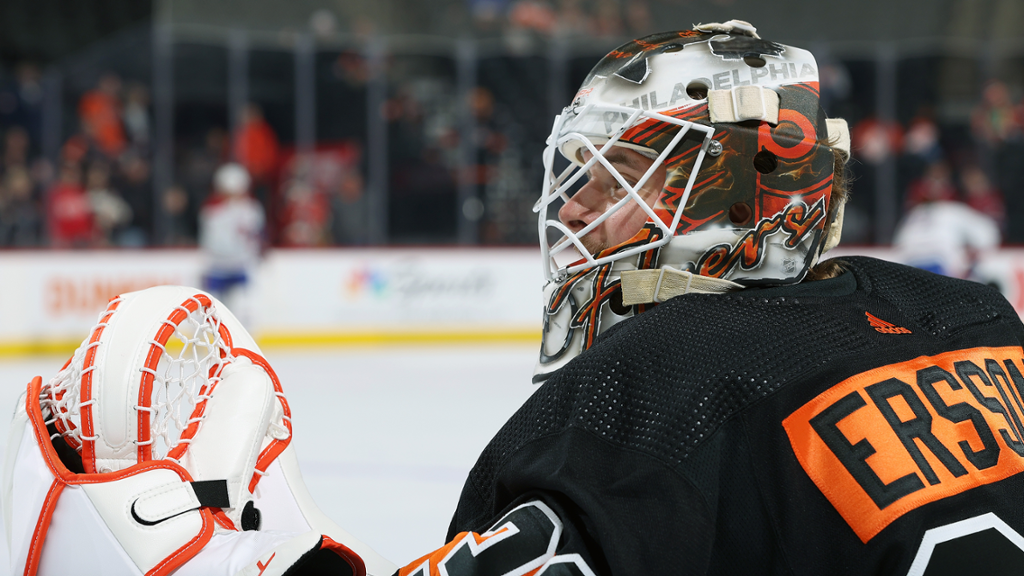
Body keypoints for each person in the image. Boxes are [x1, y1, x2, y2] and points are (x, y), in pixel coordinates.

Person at [394, 21, 1024, 575]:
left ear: (727, 201)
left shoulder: (654, 382)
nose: (572, 208)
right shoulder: (976, 318)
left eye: (613, 181)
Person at [198, 163, 265, 325]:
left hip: (241, 266)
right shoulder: (212, 211)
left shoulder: (252, 209)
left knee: (243, 310)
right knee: (212, 312)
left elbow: (257, 236)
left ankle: (242, 345)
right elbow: (211, 242)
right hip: (217, 267)